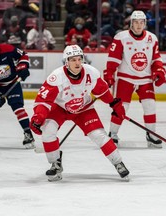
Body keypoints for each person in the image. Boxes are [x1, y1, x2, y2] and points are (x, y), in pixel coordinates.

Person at [29, 45, 130, 182]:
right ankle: (55, 163)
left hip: (84, 108)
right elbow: (43, 100)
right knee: (48, 130)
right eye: (73, 60)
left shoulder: (91, 73)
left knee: (99, 135)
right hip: (60, 108)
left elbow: (102, 91)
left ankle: (118, 163)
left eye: (79, 59)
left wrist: (114, 103)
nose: (77, 63)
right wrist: (38, 117)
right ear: (66, 62)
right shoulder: (56, 77)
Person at [103, 10, 166, 148]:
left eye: (141, 22)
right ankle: (112, 133)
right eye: (136, 22)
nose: (138, 25)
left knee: (150, 105)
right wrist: (109, 74)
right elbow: (113, 59)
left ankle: (151, 134)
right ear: (131, 23)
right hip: (126, 78)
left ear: (145, 23)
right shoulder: (121, 37)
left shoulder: (152, 38)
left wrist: (159, 71)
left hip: (145, 79)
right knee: (121, 107)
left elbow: (156, 58)